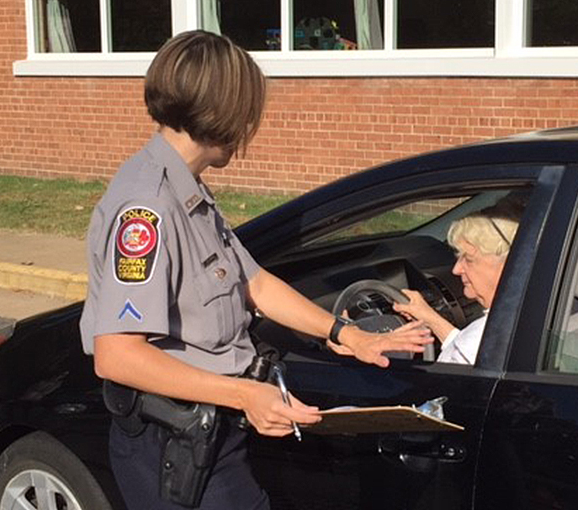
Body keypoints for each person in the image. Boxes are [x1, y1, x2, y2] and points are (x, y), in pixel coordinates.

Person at [78, 30, 431, 510]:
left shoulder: (188, 190)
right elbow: (116, 356)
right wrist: (243, 394)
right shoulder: (148, 208)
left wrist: (347, 334)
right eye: (247, 110)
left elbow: (255, 284)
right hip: (173, 445)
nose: (250, 125)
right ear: (220, 111)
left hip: (211, 433)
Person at [393, 199, 522, 365]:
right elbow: (465, 347)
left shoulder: (487, 337)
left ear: (509, 264)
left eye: (468, 259)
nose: (456, 269)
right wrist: (429, 317)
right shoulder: (525, 315)